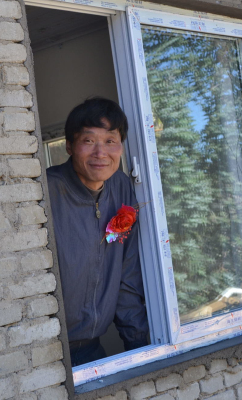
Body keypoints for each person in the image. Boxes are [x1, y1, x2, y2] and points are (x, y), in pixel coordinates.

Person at [46, 97, 149, 366]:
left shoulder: (121, 187)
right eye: (89, 140)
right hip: (45, 350)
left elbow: (127, 273)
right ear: (69, 146)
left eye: (110, 141)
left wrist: (140, 347)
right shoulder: (46, 191)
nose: (100, 153)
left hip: (91, 349)